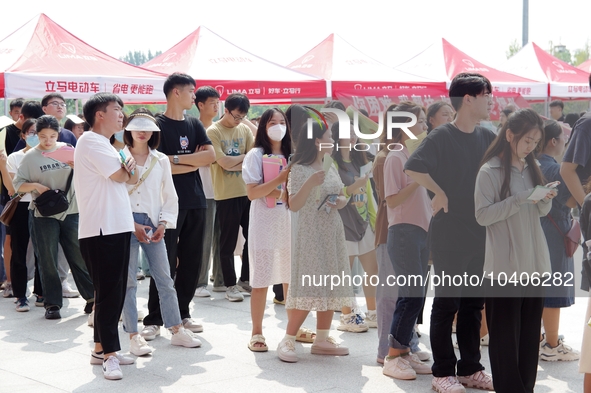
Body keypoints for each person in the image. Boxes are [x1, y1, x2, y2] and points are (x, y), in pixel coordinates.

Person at [405, 73, 496, 393]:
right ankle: (442, 372)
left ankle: (471, 368)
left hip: (480, 233)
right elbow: (413, 167)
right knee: (447, 303)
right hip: (449, 234)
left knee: (474, 305)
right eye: (486, 93)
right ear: (467, 99)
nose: (490, 99)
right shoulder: (442, 136)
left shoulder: (487, 137)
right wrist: (437, 192)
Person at [475, 108, 556, 393]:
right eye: (527, 141)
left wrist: (544, 198)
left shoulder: (532, 167)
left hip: (534, 264)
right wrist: (520, 199)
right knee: (504, 341)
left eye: (535, 142)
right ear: (510, 135)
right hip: (504, 269)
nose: (531, 147)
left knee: (529, 336)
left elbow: (540, 212)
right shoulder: (489, 171)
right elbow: (482, 215)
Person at [140, 73, 215, 341]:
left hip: (196, 200)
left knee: (192, 260)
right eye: (191, 91)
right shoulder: (155, 125)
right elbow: (158, 163)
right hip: (166, 205)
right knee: (164, 261)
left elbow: (210, 157)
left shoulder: (194, 124)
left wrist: (176, 161)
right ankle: (154, 318)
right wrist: (188, 160)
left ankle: (183, 311)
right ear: (175, 92)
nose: (194, 96)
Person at [121, 108, 201, 355]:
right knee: (129, 282)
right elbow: (114, 196)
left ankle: (176, 329)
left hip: (154, 223)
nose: (142, 132)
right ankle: (134, 335)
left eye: (147, 127)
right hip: (125, 224)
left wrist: (164, 224)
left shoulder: (161, 159)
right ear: (128, 130)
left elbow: (170, 196)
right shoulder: (119, 157)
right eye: (137, 126)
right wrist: (129, 224)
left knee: (165, 278)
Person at [277, 120, 352, 363]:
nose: (334, 140)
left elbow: (341, 197)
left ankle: (321, 338)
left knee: (330, 282)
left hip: (331, 230)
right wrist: (310, 183)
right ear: (318, 140)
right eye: (330, 136)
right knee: (311, 285)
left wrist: (338, 201)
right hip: (310, 233)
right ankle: (288, 338)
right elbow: (293, 205)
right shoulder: (298, 168)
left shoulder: (330, 166)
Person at [75, 93, 139, 380]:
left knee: (112, 291)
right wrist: (126, 171)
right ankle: (110, 355)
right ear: (99, 114)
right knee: (109, 294)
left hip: (117, 225)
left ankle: (101, 348)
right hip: (101, 228)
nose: (121, 114)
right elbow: (120, 176)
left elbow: (132, 176)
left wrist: (126, 171)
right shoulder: (90, 141)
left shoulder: (110, 145)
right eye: (116, 109)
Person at [13, 114, 94, 320]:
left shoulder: (68, 150)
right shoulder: (30, 157)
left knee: (79, 256)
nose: (47, 141)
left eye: (52, 135)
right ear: (36, 135)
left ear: (58, 133)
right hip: (43, 214)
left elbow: (88, 174)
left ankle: (92, 299)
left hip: (72, 211)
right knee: (47, 259)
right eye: (42, 136)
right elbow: (17, 185)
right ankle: (52, 304)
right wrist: (36, 186)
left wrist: (78, 167)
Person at [382, 102, 432, 380]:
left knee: (416, 297)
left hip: (420, 232)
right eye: (421, 121)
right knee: (410, 296)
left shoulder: (412, 156)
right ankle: (393, 354)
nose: (425, 126)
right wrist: (417, 178)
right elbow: (392, 200)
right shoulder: (395, 157)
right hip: (403, 232)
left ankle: (404, 352)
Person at [242, 108, 291, 352]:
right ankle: (257, 332)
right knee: (261, 278)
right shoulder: (255, 155)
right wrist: (280, 181)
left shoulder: (294, 155)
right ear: (263, 126)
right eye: (273, 122)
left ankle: (292, 331)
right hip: (264, 221)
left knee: (290, 277)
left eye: (282, 122)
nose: (278, 126)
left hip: (290, 221)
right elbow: (253, 192)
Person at [538, 119, 580, 361]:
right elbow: (570, 201)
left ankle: (540, 340)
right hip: (555, 230)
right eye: (564, 139)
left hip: (537, 228)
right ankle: (552, 345)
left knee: (536, 289)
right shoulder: (555, 169)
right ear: (554, 141)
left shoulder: (531, 163)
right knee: (554, 288)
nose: (566, 143)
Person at [331, 121, 378, 332]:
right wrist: (354, 186)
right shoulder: (330, 163)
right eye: (347, 134)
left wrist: (374, 221)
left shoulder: (362, 159)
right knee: (345, 274)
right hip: (343, 223)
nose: (352, 138)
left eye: (353, 134)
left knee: (373, 270)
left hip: (364, 222)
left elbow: (369, 195)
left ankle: (373, 313)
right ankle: (347, 316)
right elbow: (335, 194)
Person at [207, 92, 254, 302]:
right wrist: (242, 159)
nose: (238, 121)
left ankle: (246, 279)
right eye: (235, 116)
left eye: (242, 117)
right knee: (227, 242)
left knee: (252, 238)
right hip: (226, 194)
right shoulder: (213, 131)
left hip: (249, 191)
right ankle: (230, 285)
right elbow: (223, 163)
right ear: (225, 110)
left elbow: (256, 158)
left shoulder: (244, 129)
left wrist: (233, 160)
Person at [0, 119, 42, 311]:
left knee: (44, 252)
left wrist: (27, 186)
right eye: (30, 132)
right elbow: (14, 189)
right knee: (19, 252)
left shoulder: (49, 155)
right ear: (23, 135)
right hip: (21, 209)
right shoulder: (15, 157)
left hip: (43, 208)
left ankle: (41, 293)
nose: (34, 136)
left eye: (38, 132)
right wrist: (35, 186)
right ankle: (20, 295)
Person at [194, 85, 220, 298]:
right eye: (212, 103)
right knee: (203, 239)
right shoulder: (193, 128)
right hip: (202, 190)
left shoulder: (219, 129)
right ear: (200, 105)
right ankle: (199, 281)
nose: (216, 107)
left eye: (218, 103)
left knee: (221, 238)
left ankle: (219, 279)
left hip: (221, 190)